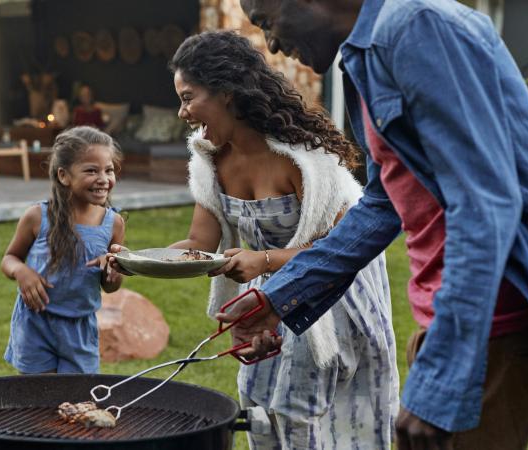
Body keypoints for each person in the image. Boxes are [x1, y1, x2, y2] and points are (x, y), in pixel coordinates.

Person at [224, 0, 528, 449]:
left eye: (267, 21)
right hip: (453, 315)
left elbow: (484, 205)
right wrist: (278, 297)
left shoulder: (416, 28)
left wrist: (440, 380)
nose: (273, 44)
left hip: (497, 315)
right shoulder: (365, 57)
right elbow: (384, 201)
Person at [111, 30, 399, 449]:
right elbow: (198, 244)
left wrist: (262, 261)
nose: (182, 112)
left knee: (317, 418)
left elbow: (339, 252)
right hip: (266, 294)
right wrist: (131, 260)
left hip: (331, 297)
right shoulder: (210, 160)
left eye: (188, 97)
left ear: (226, 92)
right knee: (263, 411)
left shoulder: (304, 159)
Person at [2, 126, 124, 374]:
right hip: (36, 323)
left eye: (108, 170)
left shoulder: (113, 223)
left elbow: (110, 285)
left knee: (77, 400)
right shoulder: (38, 217)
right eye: (92, 170)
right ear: (64, 175)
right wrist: (21, 272)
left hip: (80, 328)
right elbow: (10, 258)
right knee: (38, 399)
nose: (103, 178)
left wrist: (114, 272)